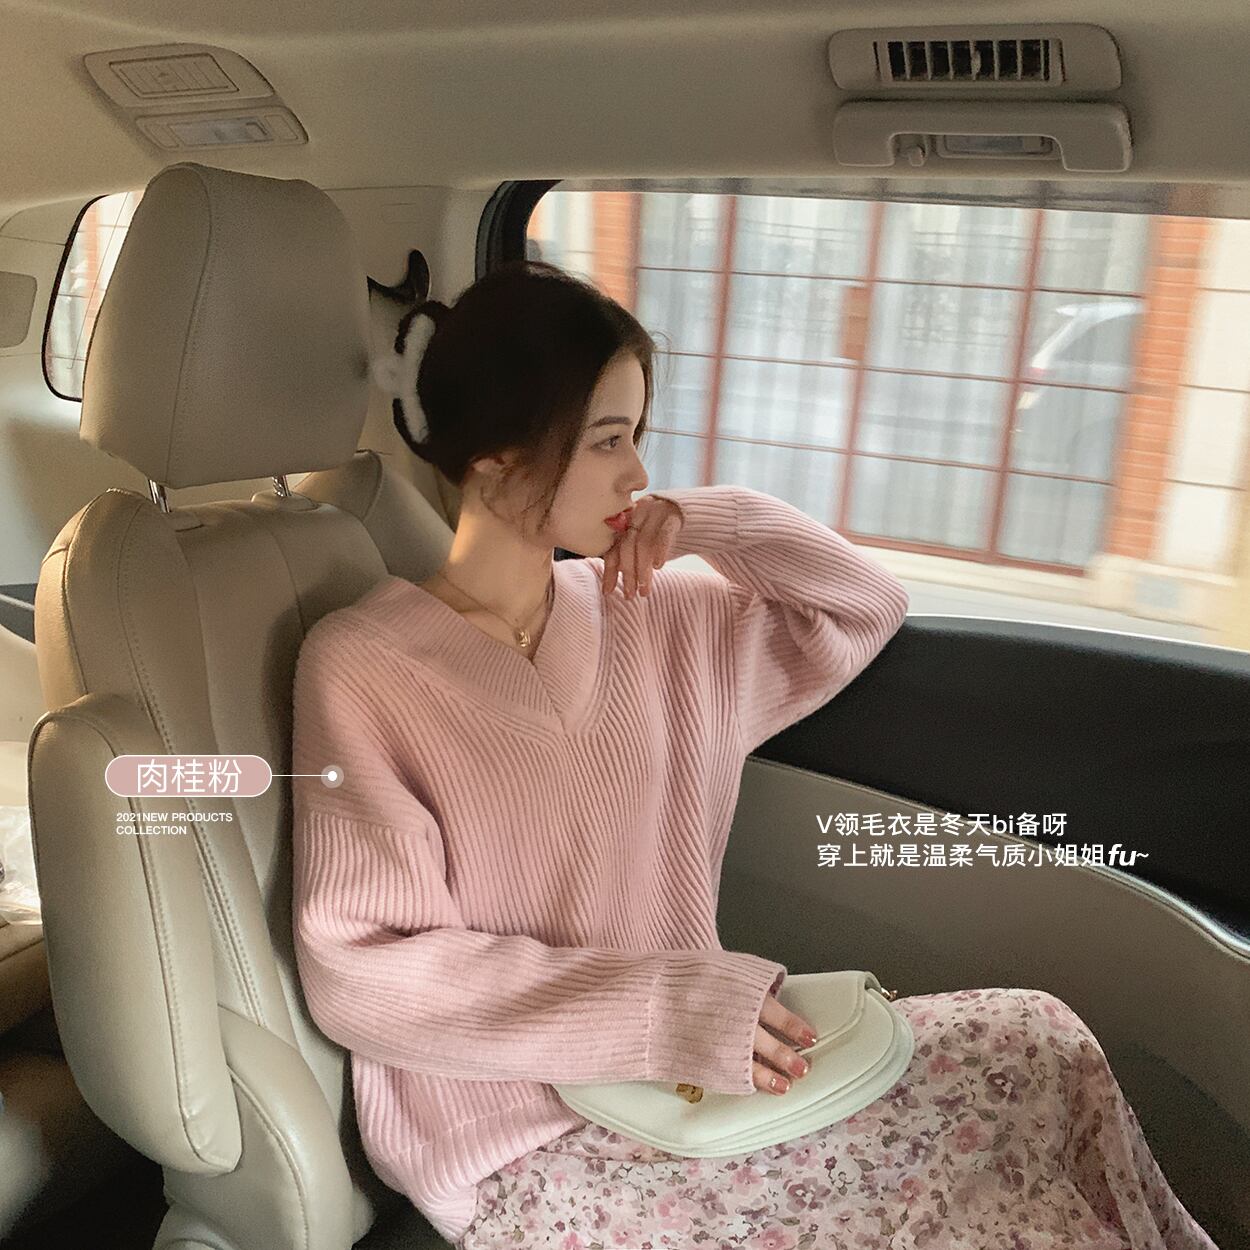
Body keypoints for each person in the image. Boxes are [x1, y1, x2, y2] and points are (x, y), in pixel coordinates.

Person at [290, 261, 1220, 1249]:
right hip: (525, 1141)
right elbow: (365, 971)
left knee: (1038, 1042)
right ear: (497, 456)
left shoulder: (652, 613)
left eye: (637, 435)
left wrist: (708, 521)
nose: (637, 473)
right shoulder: (364, 666)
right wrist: (663, 1010)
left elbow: (860, 607)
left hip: (694, 1083)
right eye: (607, 439)